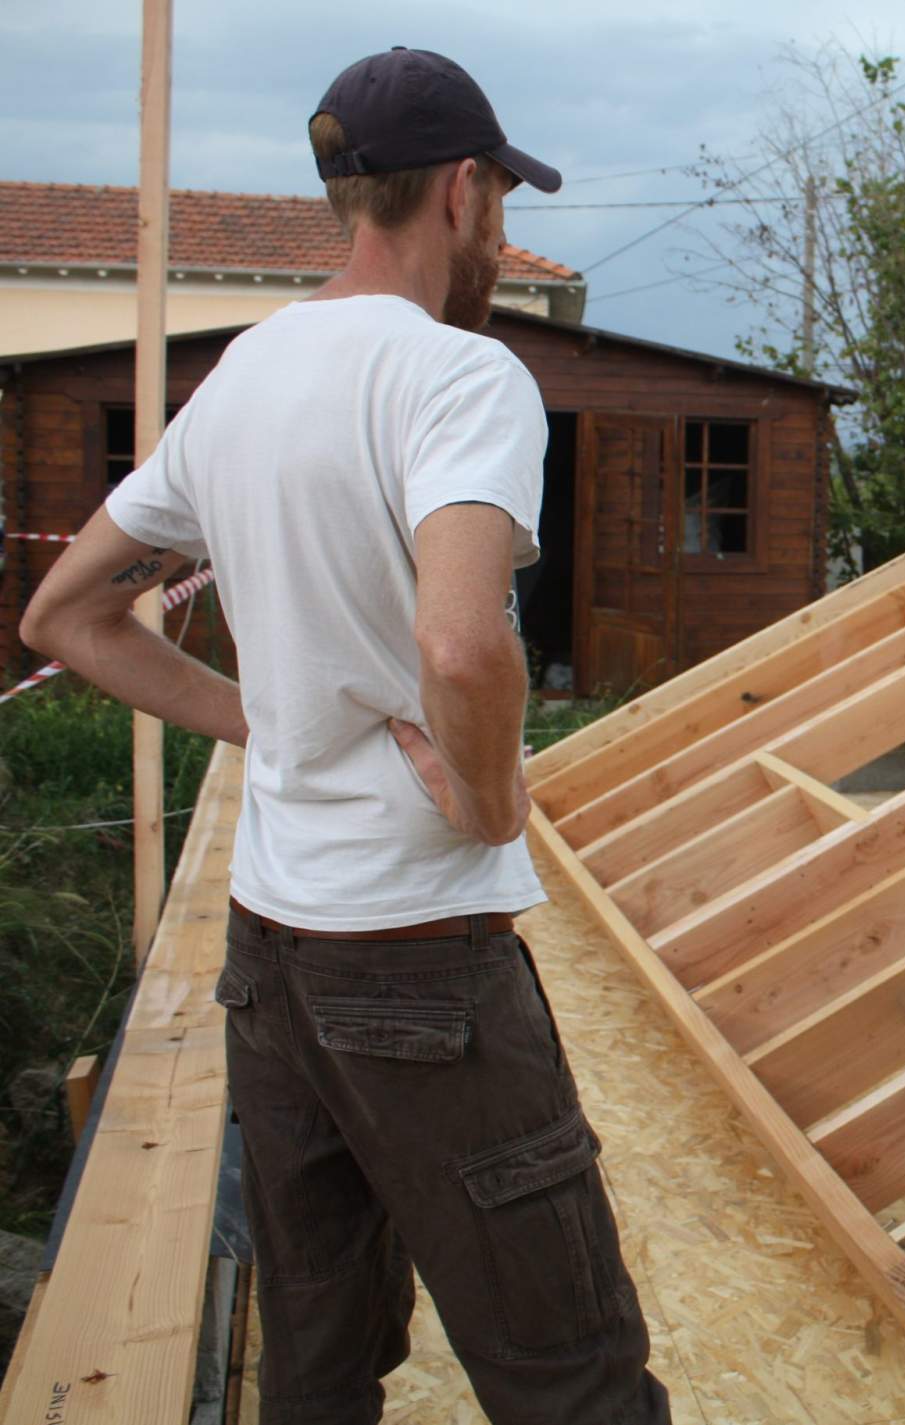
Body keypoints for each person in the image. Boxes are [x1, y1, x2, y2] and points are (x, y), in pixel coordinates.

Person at [21, 49, 670, 1422]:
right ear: (459, 190)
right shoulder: (462, 378)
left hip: (272, 958)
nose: (494, 226)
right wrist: (494, 803)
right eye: (495, 196)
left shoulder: (245, 377)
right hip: (423, 960)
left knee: (318, 1358)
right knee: (577, 1377)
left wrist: (257, 720)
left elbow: (67, 614)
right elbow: (460, 641)